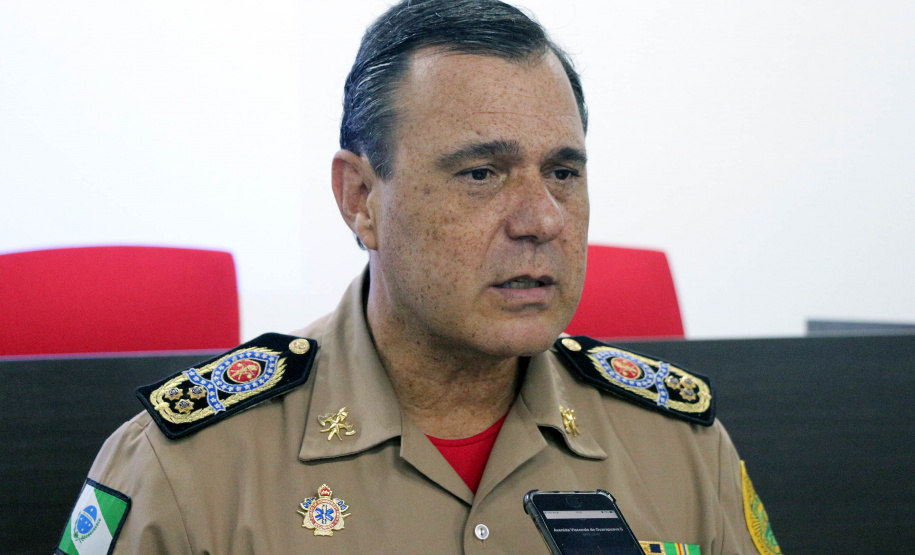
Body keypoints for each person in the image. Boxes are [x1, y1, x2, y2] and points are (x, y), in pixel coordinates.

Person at [58, 1, 780, 554]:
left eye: (562, 172)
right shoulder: (188, 467)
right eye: (480, 173)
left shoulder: (679, 445)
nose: (541, 217)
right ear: (360, 199)